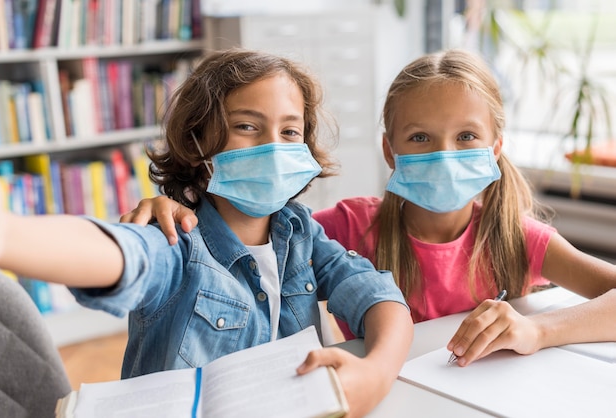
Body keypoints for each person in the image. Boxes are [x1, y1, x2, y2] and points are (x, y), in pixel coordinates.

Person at [123, 48, 616, 368]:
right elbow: (244, 244)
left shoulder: (518, 236)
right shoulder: (352, 226)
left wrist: (537, 329)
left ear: (496, 148)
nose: (443, 155)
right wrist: (174, 204)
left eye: (466, 137)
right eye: (420, 138)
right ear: (389, 150)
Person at [0, 49, 414, 417]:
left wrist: (377, 372)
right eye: (247, 126)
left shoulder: (301, 231)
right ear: (198, 142)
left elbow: (376, 295)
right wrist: (7, 236)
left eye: (289, 132)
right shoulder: (178, 238)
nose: (273, 146)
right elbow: (121, 255)